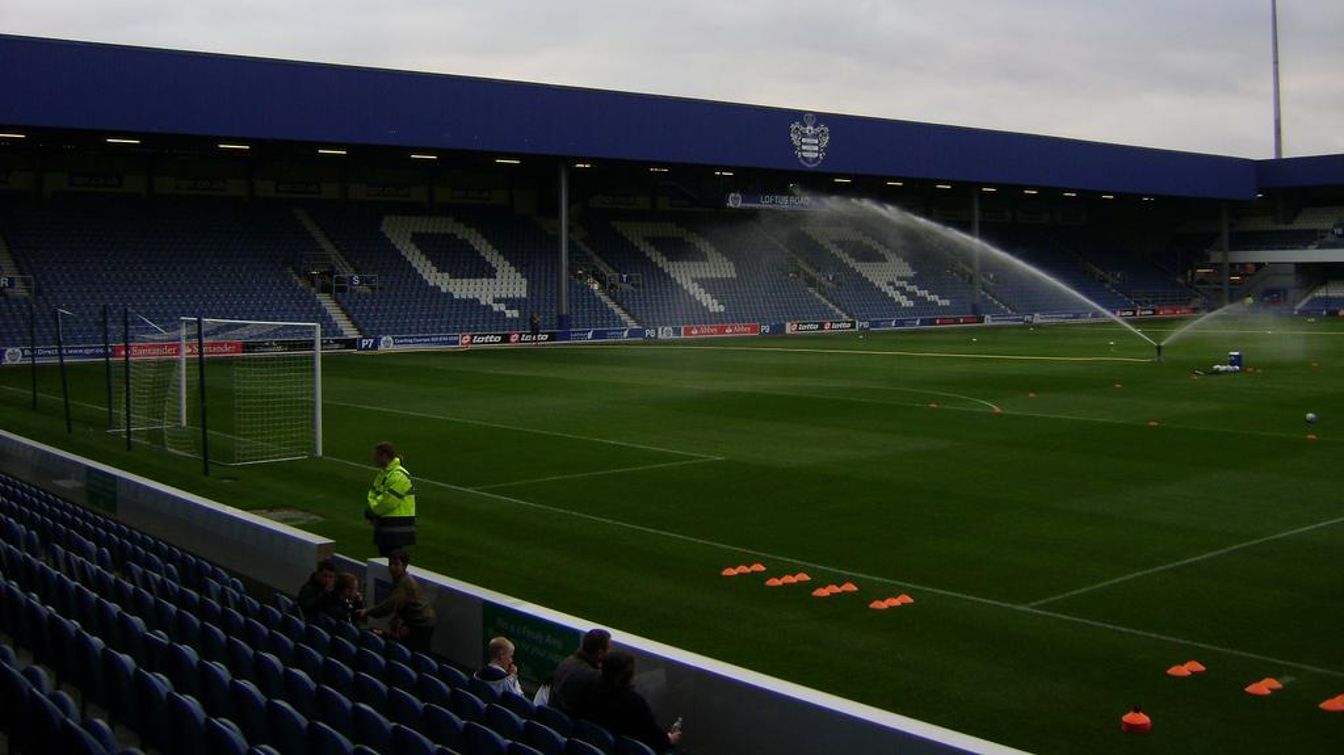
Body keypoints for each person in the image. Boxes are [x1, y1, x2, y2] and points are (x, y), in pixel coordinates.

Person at [589, 650, 682, 753]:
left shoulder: (591, 689)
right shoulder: (633, 702)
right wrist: (669, 740)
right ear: (628, 675)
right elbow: (652, 734)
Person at [356, 549, 437, 652]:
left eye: (396, 564)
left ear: (404, 566)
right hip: (419, 621)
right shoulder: (402, 579)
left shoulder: (404, 583)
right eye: (391, 564)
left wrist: (367, 612)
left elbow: (388, 606)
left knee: (416, 651)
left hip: (421, 623)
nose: (392, 568)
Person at [365, 442, 416, 556]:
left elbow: (388, 502)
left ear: (384, 456)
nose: (374, 459)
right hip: (388, 526)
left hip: (395, 528)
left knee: (392, 561)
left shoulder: (398, 475)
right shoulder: (385, 473)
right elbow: (374, 493)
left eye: (376, 456)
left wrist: (372, 511)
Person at [550, 628, 610, 717]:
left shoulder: (567, 662)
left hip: (554, 716)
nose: (610, 652)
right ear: (600, 653)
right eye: (609, 648)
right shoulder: (594, 676)